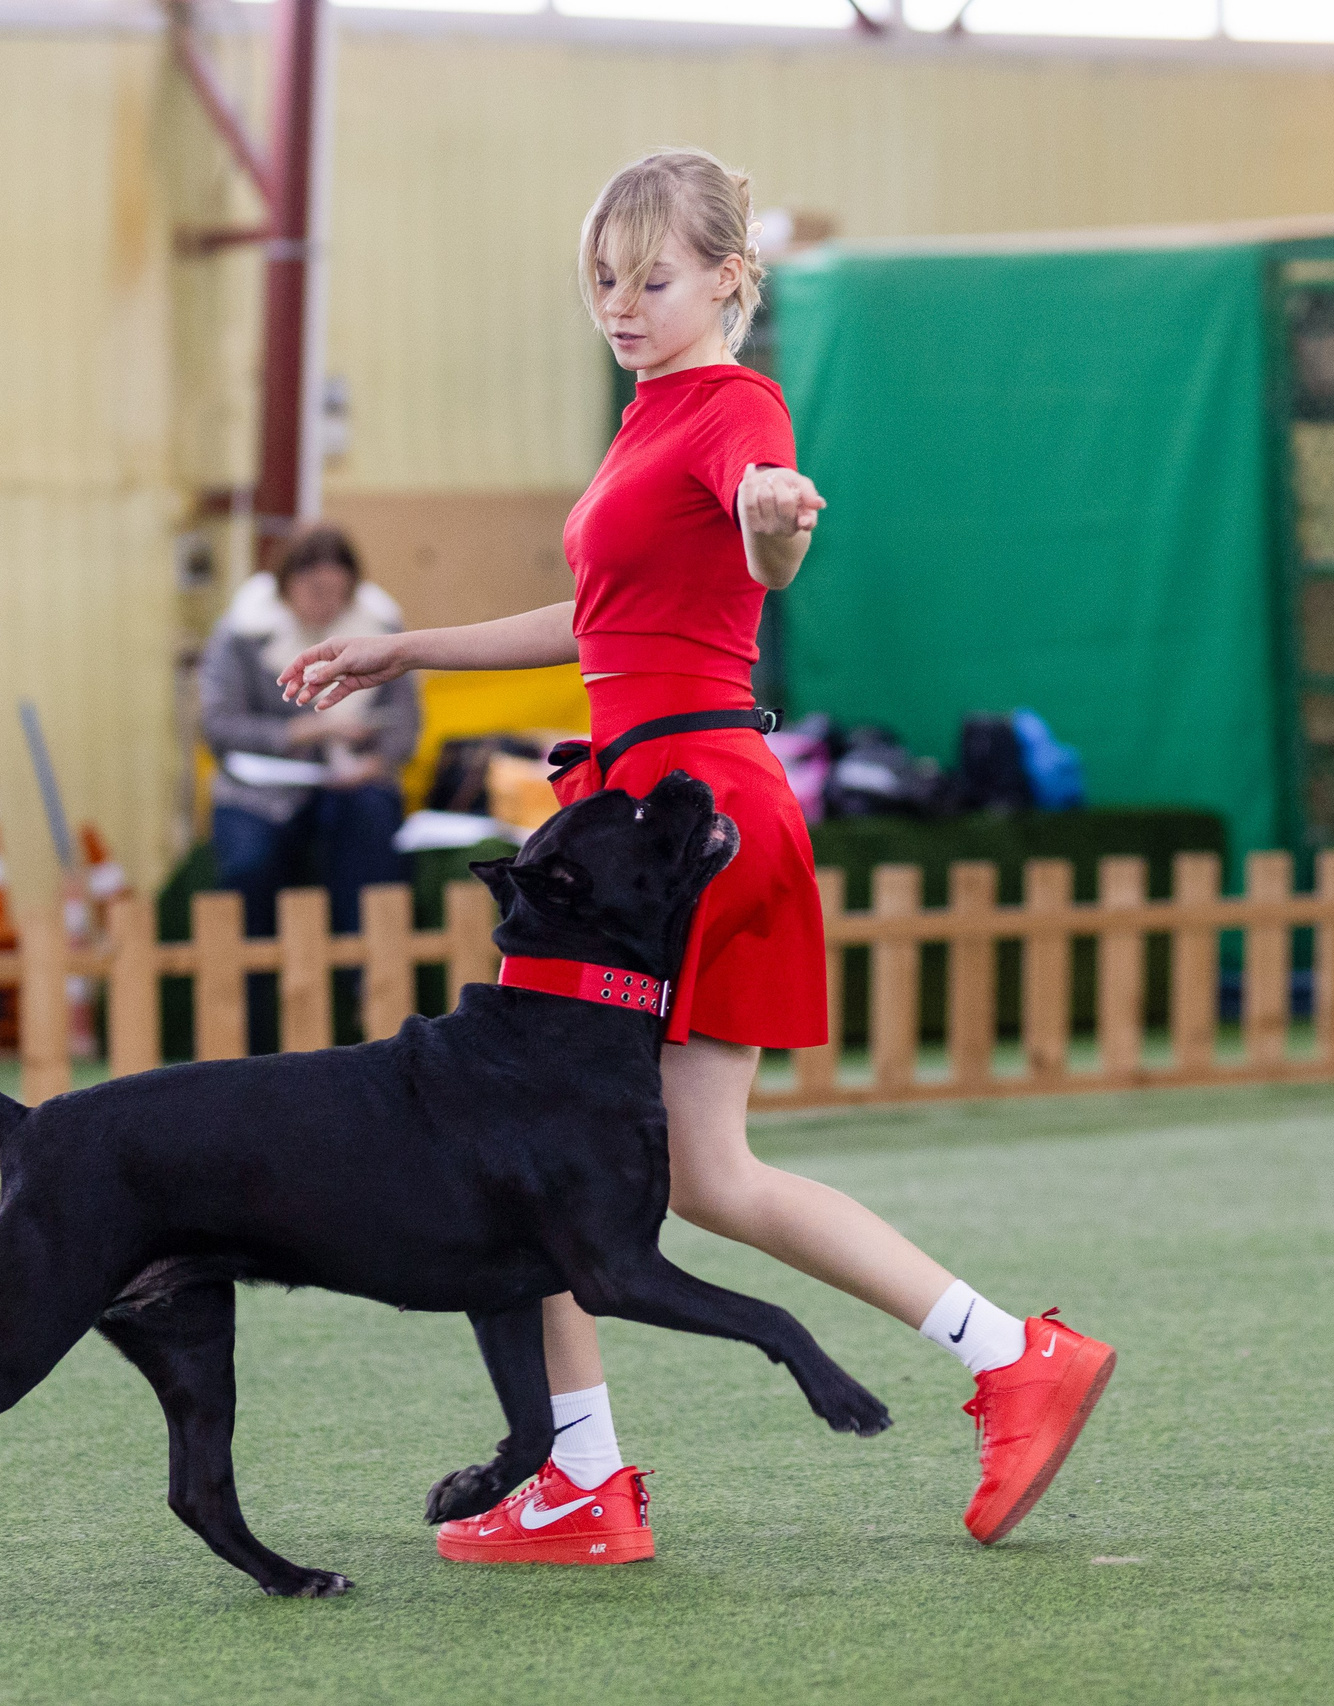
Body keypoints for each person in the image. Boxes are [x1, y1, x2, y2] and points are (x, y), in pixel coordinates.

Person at [280, 149, 1115, 1563]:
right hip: (677, 802)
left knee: (543, 1144)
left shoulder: (735, 405)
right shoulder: (651, 414)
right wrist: (404, 644)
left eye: (650, 278)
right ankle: (1004, 1352)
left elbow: (765, 516)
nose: (619, 301)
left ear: (727, 278)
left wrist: (774, 522)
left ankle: (587, 1479)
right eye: (601, 279)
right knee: (709, 1174)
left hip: (676, 818)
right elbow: (608, 615)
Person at [200, 526, 418, 1048]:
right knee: (250, 867)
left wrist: (377, 760)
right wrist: (298, 731)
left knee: (371, 844)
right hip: (259, 791)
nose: (325, 603)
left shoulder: (380, 630)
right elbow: (218, 726)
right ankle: (249, 1029)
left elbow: (406, 723)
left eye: (336, 592)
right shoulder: (242, 635)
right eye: (313, 590)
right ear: (285, 586)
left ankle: (370, 1014)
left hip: (350, 786)